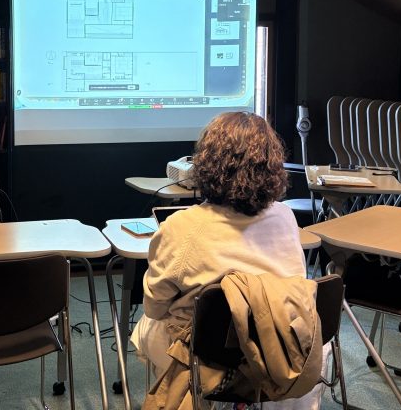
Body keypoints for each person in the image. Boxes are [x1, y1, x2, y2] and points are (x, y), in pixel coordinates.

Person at [132, 111, 323, 409]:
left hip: (209, 357)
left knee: (146, 326)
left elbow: (155, 308)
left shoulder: (182, 227)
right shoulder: (286, 217)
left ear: (205, 164)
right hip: (283, 352)